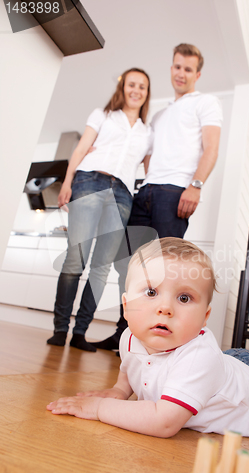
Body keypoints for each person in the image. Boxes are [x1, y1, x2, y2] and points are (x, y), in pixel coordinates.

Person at [47, 238, 249, 439]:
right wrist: (121, 391)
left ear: (204, 318)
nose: (165, 307)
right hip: (229, 365)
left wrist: (100, 408)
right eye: (150, 292)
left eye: (184, 297)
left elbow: (164, 422)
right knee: (224, 364)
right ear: (126, 305)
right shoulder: (130, 336)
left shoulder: (199, 357)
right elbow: (129, 366)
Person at [91, 43, 223, 351]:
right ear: (171, 68)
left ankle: (162, 339)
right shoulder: (161, 114)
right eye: (177, 66)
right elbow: (143, 154)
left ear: (197, 74)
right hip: (146, 191)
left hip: (175, 192)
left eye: (188, 69)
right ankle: (126, 334)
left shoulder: (206, 102)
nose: (181, 73)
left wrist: (196, 185)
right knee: (131, 265)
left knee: (167, 269)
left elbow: (211, 148)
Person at [46, 68, 151, 352]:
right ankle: (60, 329)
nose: (136, 90)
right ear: (123, 88)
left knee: (101, 267)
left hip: (123, 195)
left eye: (142, 86)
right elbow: (81, 148)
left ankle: (80, 332)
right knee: (75, 259)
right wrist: (66, 182)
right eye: (132, 84)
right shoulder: (102, 115)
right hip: (90, 181)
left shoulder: (147, 132)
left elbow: (150, 168)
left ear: (146, 92)